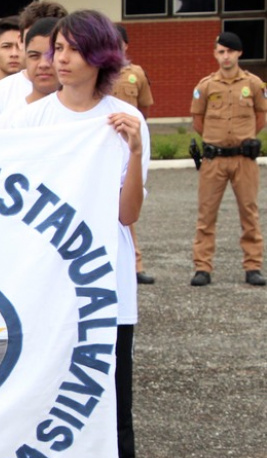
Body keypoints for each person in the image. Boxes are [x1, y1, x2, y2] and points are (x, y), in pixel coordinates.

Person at [0, 10, 161, 458]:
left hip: (103, 289)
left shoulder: (125, 121)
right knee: (38, 391)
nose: (57, 59)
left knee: (110, 393)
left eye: (69, 50)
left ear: (100, 57)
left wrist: (134, 151)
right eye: (53, 50)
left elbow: (127, 213)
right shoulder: (27, 122)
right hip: (42, 288)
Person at [189, 31, 266, 287]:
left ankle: (253, 267)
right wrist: (218, 139)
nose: (225, 56)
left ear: (239, 53)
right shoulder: (206, 86)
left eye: (230, 51)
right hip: (214, 159)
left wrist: (244, 138)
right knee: (206, 215)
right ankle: (202, 268)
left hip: (244, 159)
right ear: (215, 54)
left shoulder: (254, 84)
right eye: (221, 52)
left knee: (249, 213)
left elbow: (261, 115)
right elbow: (198, 121)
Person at [0, 1, 68, 130]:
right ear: (20, 40)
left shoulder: (81, 90)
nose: (44, 63)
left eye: (52, 42)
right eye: (32, 36)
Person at [112, 25, 156, 285]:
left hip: (130, 141)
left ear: (126, 46)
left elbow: (145, 109)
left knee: (129, 210)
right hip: (105, 144)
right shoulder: (94, 75)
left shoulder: (136, 74)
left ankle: (136, 265)